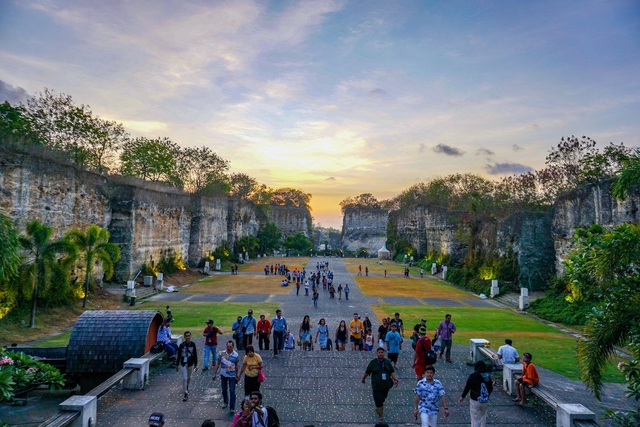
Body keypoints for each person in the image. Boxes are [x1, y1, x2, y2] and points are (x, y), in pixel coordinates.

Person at [362, 347, 399, 423]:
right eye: (379, 352)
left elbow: (392, 372)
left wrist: (395, 379)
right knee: (379, 402)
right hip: (376, 387)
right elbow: (367, 372)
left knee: (382, 399)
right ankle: (381, 416)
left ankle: (379, 408)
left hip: (386, 386)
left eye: (382, 352)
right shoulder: (373, 362)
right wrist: (363, 378)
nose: (381, 354)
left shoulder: (387, 362)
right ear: (376, 353)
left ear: (384, 353)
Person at [459, 360, 493, 427]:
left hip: (475, 399)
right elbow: (490, 388)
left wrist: (463, 396)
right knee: (483, 416)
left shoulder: (473, 376)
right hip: (485, 400)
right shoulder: (487, 376)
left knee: (475, 419)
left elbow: (468, 387)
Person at [212, 340, 239, 413]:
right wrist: (214, 374)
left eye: (230, 346)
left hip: (232, 375)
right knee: (224, 389)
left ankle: (232, 407)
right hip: (223, 374)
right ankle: (225, 401)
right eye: (228, 346)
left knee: (232, 391)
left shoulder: (235, 355)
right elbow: (218, 363)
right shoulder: (222, 354)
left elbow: (236, 365)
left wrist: (237, 375)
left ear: (233, 347)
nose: (229, 348)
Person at [176, 331, 198, 401]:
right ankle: (185, 393)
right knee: (184, 378)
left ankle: (186, 386)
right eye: (186, 336)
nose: (188, 337)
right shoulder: (181, 345)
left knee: (188, 377)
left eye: (189, 336)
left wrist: (195, 364)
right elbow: (179, 355)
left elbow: (195, 355)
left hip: (190, 363)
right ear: (184, 337)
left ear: (190, 336)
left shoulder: (193, 344)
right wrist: (177, 365)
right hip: (183, 363)